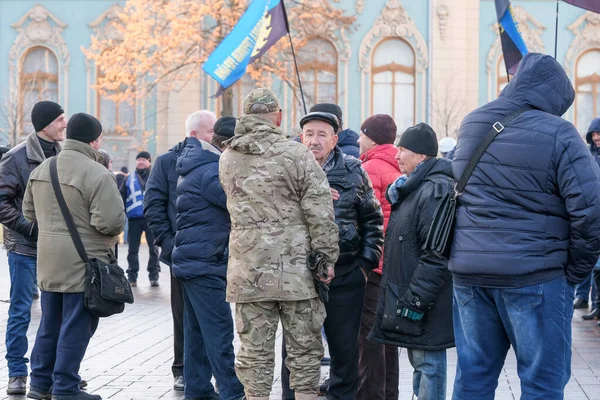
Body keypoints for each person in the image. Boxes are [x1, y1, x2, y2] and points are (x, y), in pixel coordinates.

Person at [450, 53, 600, 399]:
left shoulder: (473, 123)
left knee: (473, 378)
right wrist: (575, 270)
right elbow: (590, 211)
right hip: (535, 276)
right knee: (542, 383)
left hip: (470, 275)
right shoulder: (560, 133)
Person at [219, 88, 339, 400]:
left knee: (254, 357)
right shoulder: (297, 154)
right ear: (279, 117)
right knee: (304, 356)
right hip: (296, 274)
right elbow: (320, 210)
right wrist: (326, 260)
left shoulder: (228, 157)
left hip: (248, 272)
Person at [23, 113, 125, 400]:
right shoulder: (97, 173)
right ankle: (66, 387)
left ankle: (40, 383)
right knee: (76, 325)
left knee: (49, 323)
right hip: (84, 263)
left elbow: (28, 214)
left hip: (47, 261)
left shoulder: (43, 168)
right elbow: (111, 222)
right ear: (94, 140)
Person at [288, 111, 383, 400]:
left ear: (334, 139)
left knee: (344, 354)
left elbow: (373, 221)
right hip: (297, 279)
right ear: (301, 137)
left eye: (321, 134)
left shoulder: (353, 170)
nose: (314, 140)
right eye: (309, 134)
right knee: (295, 354)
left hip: (344, 276)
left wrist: (363, 266)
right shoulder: (289, 169)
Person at [369, 123, 455, 400]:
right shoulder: (412, 188)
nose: (396, 156)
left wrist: (415, 301)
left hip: (422, 298)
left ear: (421, 156)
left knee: (428, 363)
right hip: (409, 293)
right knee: (419, 363)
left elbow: (436, 254)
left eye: (402, 150)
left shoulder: (435, 190)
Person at [144, 109, 217, 391]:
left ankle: (211, 371)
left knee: (215, 315)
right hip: (182, 254)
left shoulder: (220, 160)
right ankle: (182, 369)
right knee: (184, 314)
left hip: (215, 253)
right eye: (212, 131)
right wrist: (170, 244)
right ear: (194, 134)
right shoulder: (166, 162)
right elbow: (154, 206)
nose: (217, 137)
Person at [172, 117, 243, 400]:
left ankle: (198, 389)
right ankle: (232, 390)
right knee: (218, 329)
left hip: (195, 261)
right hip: (206, 261)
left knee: (197, 333)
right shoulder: (213, 171)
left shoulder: (199, 165)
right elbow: (240, 204)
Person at [0, 101, 65, 394]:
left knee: (57, 312)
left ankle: (50, 372)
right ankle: (17, 372)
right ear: (46, 124)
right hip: (25, 248)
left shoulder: (65, 156)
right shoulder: (15, 158)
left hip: (58, 248)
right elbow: (1, 202)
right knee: (21, 311)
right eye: (60, 119)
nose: (65, 124)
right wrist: (29, 228)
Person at [355, 114, 401, 400]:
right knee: (388, 336)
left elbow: (364, 217)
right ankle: (389, 393)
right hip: (392, 262)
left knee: (368, 336)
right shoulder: (397, 164)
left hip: (374, 264)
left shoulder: (370, 167)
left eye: (362, 135)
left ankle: (371, 395)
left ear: (371, 137)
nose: (358, 141)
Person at [121, 151, 160, 287]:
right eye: (139, 159)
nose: (141, 161)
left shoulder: (156, 177)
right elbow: (121, 197)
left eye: (144, 159)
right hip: (134, 219)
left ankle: (153, 275)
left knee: (154, 249)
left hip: (152, 219)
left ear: (149, 162)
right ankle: (132, 276)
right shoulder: (129, 178)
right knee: (132, 250)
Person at [581, 117, 600, 322]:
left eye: (598, 133)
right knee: (596, 268)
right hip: (595, 216)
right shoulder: (591, 155)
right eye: (593, 134)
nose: (596, 137)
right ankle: (596, 306)